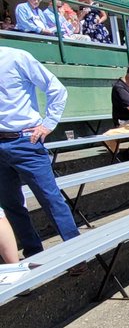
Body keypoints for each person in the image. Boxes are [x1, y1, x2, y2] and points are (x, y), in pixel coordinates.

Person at [0, 47, 79, 257]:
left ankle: (75, 251)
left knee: (49, 197)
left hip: (25, 139)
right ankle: (33, 252)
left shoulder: (17, 57)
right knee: (11, 205)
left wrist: (48, 123)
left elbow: (57, 89)